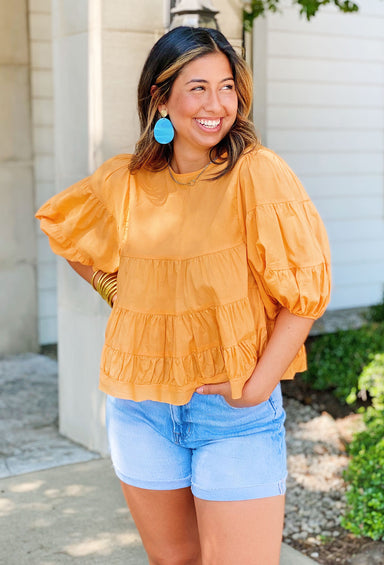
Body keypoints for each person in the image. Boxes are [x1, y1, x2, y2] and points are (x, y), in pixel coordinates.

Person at [36, 26, 331, 565]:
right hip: (141, 408)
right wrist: (120, 291)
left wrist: (257, 383)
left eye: (226, 87)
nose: (216, 104)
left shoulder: (257, 174)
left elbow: (306, 292)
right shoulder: (127, 180)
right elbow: (65, 229)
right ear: (161, 97)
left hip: (233, 413)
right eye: (197, 88)